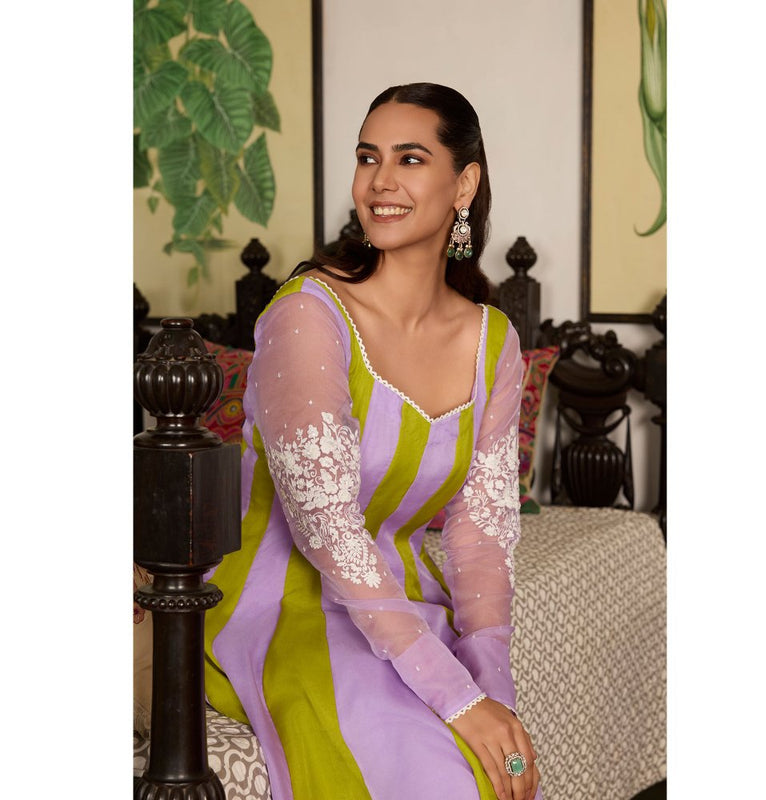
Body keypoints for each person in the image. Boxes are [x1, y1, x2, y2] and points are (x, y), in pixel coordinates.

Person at [204, 82, 542, 800]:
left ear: (464, 184)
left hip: (405, 601)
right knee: (435, 772)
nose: (380, 181)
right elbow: (326, 529)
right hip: (280, 607)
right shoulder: (308, 314)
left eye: (409, 159)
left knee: (498, 768)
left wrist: (490, 692)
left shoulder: (493, 342)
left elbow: (480, 537)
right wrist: (454, 697)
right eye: (368, 157)